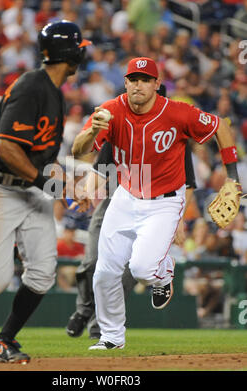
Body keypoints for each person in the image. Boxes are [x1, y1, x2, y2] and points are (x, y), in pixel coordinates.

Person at [72, 56, 242, 350]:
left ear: (156, 84)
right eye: (133, 79)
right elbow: (78, 151)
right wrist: (91, 132)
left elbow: (221, 128)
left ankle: (164, 271)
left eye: (145, 79)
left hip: (165, 201)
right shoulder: (111, 111)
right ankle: (112, 336)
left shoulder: (177, 113)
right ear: (125, 82)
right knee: (104, 271)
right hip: (125, 196)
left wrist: (231, 177)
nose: (138, 85)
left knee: (140, 269)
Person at [0, 20, 91, 363]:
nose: (83, 53)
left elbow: (44, 157)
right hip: (2, 189)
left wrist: (67, 186)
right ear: (69, 53)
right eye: (79, 47)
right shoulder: (32, 86)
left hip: (33, 190)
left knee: (42, 274)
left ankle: (4, 340)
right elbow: (6, 149)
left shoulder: (54, 92)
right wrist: (49, 184)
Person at [66, 85, 197, 340]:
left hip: (157, 206)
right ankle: (84, 311)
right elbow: (101, 167)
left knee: (130, 269)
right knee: (93, 261)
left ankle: (101, 324)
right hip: (117, 201)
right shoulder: (123, 125)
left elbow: (188, 183)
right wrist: (87, 191)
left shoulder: (175, 131)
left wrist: (178, 219)